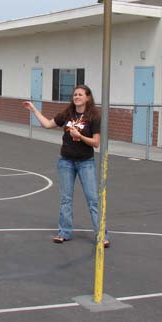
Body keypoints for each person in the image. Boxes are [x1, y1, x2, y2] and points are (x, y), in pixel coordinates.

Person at [23, 85, 110, 247]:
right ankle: (64, 232)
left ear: (88, 97)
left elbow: (96, 143)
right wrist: (33, 110)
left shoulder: (94, 116)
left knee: (93, 200)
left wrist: (80, 136)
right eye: (75, 94)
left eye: (80, 94)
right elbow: (47, 124)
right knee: (66, 199)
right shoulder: (67, 113)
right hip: (66, 161)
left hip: (85, 162)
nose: (77, 97)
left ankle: (101, 234)